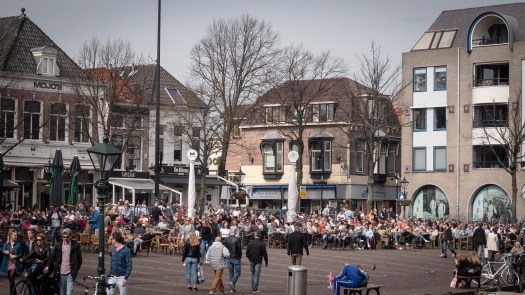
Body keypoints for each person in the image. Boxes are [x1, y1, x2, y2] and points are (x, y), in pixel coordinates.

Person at [46, 228, 83, 295]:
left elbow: (79, 259)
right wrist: (48, 265)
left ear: (70, 236)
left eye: (67, 237)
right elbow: (52, 257)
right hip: (60, 272)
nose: (65, 239)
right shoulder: (58, 245)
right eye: (63, 237)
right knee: (62, 292)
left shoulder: (75, 245)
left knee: (69, 292)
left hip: (70, 273)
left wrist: (75, 269)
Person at [1, 228, 23, 295]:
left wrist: (16, 256)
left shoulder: (18, 244)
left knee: (12, 276)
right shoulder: (6, 243)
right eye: (15, 235)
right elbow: (3, 250)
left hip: (14, 263)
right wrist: (5, 251)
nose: (16, 236)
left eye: (17, 235)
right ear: (10, 235)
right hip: (7, 263)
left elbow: (21, 254)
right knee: (11, 280)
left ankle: (11, 293)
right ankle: (14, 293)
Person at [223, 228, 242, 292]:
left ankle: (232, 287)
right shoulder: (237, 239)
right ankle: (232, 282)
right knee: (238, 272)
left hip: (228, 257)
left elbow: (224, 247)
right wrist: (240, 256)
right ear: (235, 232)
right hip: (236, 257)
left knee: (231, 272)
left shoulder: (226, 239)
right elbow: (239, 249)